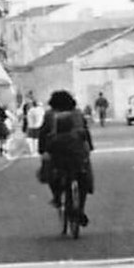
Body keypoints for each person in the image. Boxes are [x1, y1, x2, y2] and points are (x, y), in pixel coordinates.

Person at [37, 90, 93, 225]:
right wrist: (89, 147)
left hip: (57, 154)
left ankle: (56, 196)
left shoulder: (50, 114)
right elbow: (86, 132)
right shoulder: (78, 114)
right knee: (84, 177)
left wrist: (42, 150)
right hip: (78, 153)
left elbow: (43, 133)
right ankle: (80, 208)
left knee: (51, 173)